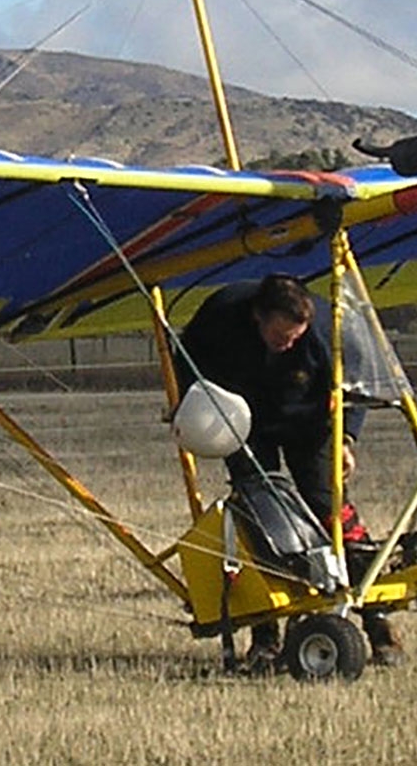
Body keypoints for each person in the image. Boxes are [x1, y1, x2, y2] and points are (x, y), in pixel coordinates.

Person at [173, 273, 403, 669]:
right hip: (243, 426)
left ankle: (377, 622)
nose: (288, 344)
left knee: (329, 509)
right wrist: (192, 408)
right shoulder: (221, 315)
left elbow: (354, 384)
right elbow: (183, 361)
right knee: (262, 521)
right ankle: (266, 637)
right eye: (281, 336)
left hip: (308, 424)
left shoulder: (322, 333)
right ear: (258, 317)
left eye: (294, 338)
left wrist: (346, 439)